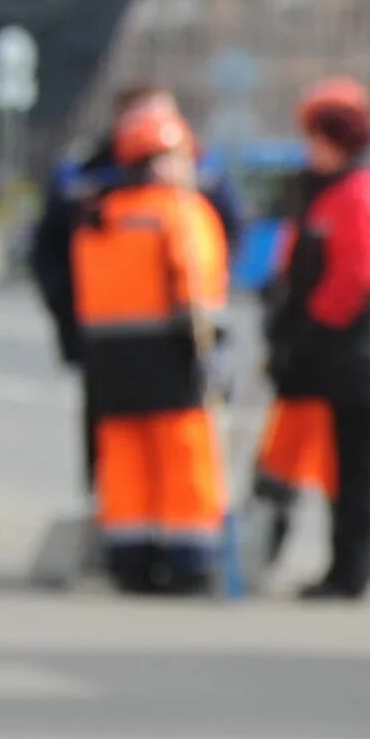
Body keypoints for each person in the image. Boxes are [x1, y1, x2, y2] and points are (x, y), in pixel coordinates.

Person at [34, 86, 245, 496]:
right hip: (107, 340)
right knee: (118, 446)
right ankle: (121, 535)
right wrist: (72, 317)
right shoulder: (87, 180)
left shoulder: (200, 180)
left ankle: (178, 545)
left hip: (179, 343)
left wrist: (206, 315)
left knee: (180, 445)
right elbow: (51, 255)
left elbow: (224, 243)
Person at [249, 90, 370, 577]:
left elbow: (356, 278)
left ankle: (350, 570)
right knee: (336, 464)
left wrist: (310, 330)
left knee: (352, 468)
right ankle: (329, 563)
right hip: (334, 354)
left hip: (349, 356)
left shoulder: (360, 193)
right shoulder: (333, 189)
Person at [69, 98, 231, 596]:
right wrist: (209, 349)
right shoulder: (179, 211)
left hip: (109, 359)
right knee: (184, 455)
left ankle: (129, 558)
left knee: (125, 457)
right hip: (171, 354)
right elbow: (196, 284)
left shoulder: (100, 214)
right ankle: (190, 560)